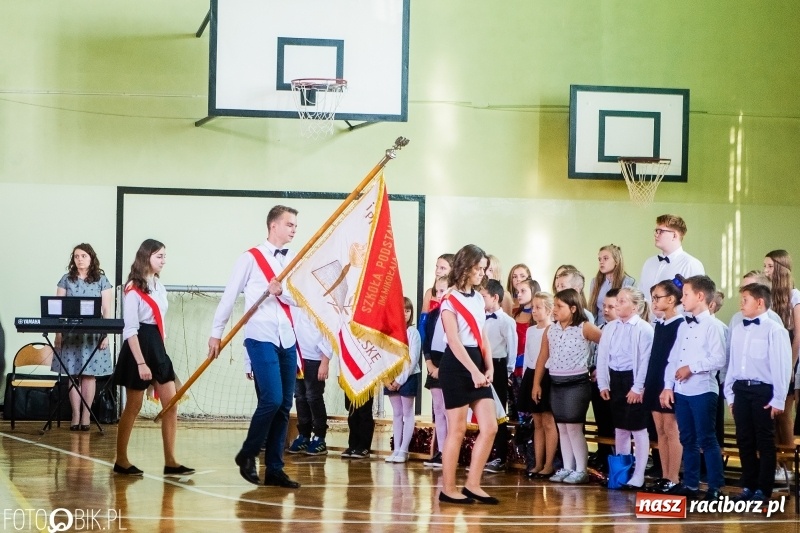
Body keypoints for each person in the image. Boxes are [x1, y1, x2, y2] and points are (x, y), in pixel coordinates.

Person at [208, 205, 301, 488]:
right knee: (271, 399)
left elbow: (301, 299)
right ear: (273, 225)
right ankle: (247, 454)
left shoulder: (294, 261)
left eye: (295, 225)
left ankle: (274, 468)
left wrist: (282, 291)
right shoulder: (250, 258)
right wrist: (216, 333)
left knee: (285, 405)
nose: (294, 229)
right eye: (289, 224)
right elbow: (229, 297)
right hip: (260, 336)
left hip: (287, 336)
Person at [113, 239, 194, 478]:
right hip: (138, 348)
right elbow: (130, 329)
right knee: (134, 406)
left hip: (157, 347)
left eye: (164, 257)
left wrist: (159, 351)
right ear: (146, 256)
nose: (163, 261)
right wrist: (140, 363)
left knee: (171, 403)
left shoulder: (159, 285)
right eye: (159, 256)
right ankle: (121, 459)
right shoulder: (131, 289)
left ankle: (171, 461)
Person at [438, 244, 499, 505]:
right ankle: (448, 488)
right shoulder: (449, 300)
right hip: (456, 366)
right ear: (466, 266)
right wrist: (474, 371)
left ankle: (473, 484)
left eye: (484, 269)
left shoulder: (477, 298)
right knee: (458, 429)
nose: (482, 273)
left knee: (491, 427)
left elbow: (482, 333)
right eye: (479, 268)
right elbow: (453, 340)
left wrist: (489, 364)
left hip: (477, 361)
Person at [660, 275, 727, 500]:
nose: (682, 297)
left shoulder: (714, 326)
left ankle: (715, 487)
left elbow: (719, 359)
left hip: (703, 389)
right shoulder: (684, 325)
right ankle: (690, 485)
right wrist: (668, 386)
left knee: (707, 438)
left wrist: (692, 367)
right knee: (687, 438)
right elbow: (673, 358)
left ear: (700, 296)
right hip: (682, 391)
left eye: (686, 294)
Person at [725, 283, 792, 502]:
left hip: (764, 390)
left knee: (764, 440)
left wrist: (779, 398)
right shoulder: (737, 329)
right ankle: (748, 485)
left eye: (745, 299)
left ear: (760, 302)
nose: (740, 304)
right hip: (741, 389)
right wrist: (730, 394)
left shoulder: (775, 330)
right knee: (744, 439)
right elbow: (732, 364)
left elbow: (782, 366)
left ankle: (764, 489)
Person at [533, 288, 602, 485]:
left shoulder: (584, 327)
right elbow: (542, 357)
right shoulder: (551, 329)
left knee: (573, 427)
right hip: (556, 383)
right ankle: (568, 467)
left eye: (559, 306)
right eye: (554, 305)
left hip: (577, 384)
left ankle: (581, 469)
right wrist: (537, 383)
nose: (554, 310)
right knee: (562, 427)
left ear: (573, 308)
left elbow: (605, 343)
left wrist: (598, 368)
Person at [596, 287, 654, 489]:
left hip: (634, 380)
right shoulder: (610, 327)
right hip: (616, 379)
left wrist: (638, 387)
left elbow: (646, 361)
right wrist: (603, 382)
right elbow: (602, 355)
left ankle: (638, 475)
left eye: (622, 301)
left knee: (638, 429)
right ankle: (621, 472)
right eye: (616, 301)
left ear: (635, 307)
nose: (617, 305)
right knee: (620, 428)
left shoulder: (644, 329)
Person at [51, 244, 114, 431]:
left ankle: (86, 415)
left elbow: (107, 311)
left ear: (91, 258)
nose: (80, 259)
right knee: (73, 374)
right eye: (76, 256)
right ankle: (75, 414)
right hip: (71, 335)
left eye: (84, 255)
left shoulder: (102, 280)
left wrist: (106, 335)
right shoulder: (66, 280)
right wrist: (58, 335)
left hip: (93, 335)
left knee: (89, 375)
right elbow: (57, 310)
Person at [642, 279, 685, 494]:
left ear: (671, 299)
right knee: (659, 430)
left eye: (657, 297)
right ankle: (664, 475)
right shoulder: (659, 324)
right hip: (654, 380)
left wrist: (670, 385)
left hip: (669, 383)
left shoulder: (681, 324)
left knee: (671, 429)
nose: (654, 302)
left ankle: (674, 477)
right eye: (653, 298)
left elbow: (676, 358)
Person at [762, 250, 800, 477]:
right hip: (770, 360)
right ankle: (775, 464)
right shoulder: (767, 294)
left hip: (790, 360)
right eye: (764, 266)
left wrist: (790, 367)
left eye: (769, 266)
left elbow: (798, 336)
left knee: (784, 415)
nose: (765, 271)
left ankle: (788, 466)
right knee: (771, 414)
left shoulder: (795, 295)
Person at [480, 280, 517, 473]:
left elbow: (512, 347)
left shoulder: (506, 321)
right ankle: (484, 455)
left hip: (499, 367)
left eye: (484, 296)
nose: (481, 299)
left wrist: (508, 372)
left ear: (495, 298)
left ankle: (500, 457)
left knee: (499, 412)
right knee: (483, 411)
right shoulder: (479, 317)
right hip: (482, 365)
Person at [520, 291, 557, 479]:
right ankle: (538, 463)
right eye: (532, 307)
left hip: (547, 376)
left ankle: (549, 464)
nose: (533, 311)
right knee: (538, 423)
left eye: (538, 307)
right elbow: (528, 356)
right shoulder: (530, 330)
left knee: (549, 421)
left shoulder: (552, 330)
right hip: (532, 373)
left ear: (549, 310)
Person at [285, 309, 333, 456]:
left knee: (314, 397)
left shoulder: (321, 307)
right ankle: (304, 435)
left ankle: (319, 437)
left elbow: (330, 336)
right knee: (300, 396)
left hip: (315, 359)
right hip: (299, 358)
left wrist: (325, 362)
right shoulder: (296, 303)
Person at [384, 297, 422, 463]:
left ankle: (404, 449)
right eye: (402, 310)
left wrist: (400, 380)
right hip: (391, 377)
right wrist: (388, 379)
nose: (405, 314)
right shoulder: (389, 332)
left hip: (408, 376)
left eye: (408, 310)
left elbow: (412, 359)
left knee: (407, 413)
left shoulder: (413, 333)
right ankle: (396, 448)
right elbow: (384, 356)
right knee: (397, 413)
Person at [639, 214, 705, 307]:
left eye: (660, 231)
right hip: (647, 321)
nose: (656, 234)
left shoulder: (691, 264)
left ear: (674, 235)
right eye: (656, 231)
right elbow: (641, 295)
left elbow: (695, 302)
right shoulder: (649, 263)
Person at [587, 288, 618, 473]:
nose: (605, 310)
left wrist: (603, 370)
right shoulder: (601, 328)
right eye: (604, 306)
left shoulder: (623, 330)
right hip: (597, 383)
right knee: (602, 423)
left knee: (614, 424)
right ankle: (603, 455)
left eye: (611, 307)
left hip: (614, 383)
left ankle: (616, 461)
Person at [422, 276, 449, 468]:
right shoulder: (432, 315)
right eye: (437, 291)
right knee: (438, 409)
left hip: (449, 365)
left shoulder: (454, 315)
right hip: (434, 364)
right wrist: (430, 365)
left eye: (443, 291)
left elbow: (455, 344)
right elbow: (426, 341)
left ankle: (450, 451)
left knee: (450, 411)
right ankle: (440, 451)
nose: (439, 295)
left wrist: (442, 369)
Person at [588, 245, 635, 327]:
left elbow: (630, 311)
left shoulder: (628, 282)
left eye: (605, 258)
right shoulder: (595, 282)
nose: (601, 262)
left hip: (620, 327)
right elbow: (593, 311)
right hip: (599, 328)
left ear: (616, 261)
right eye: (599, 259)